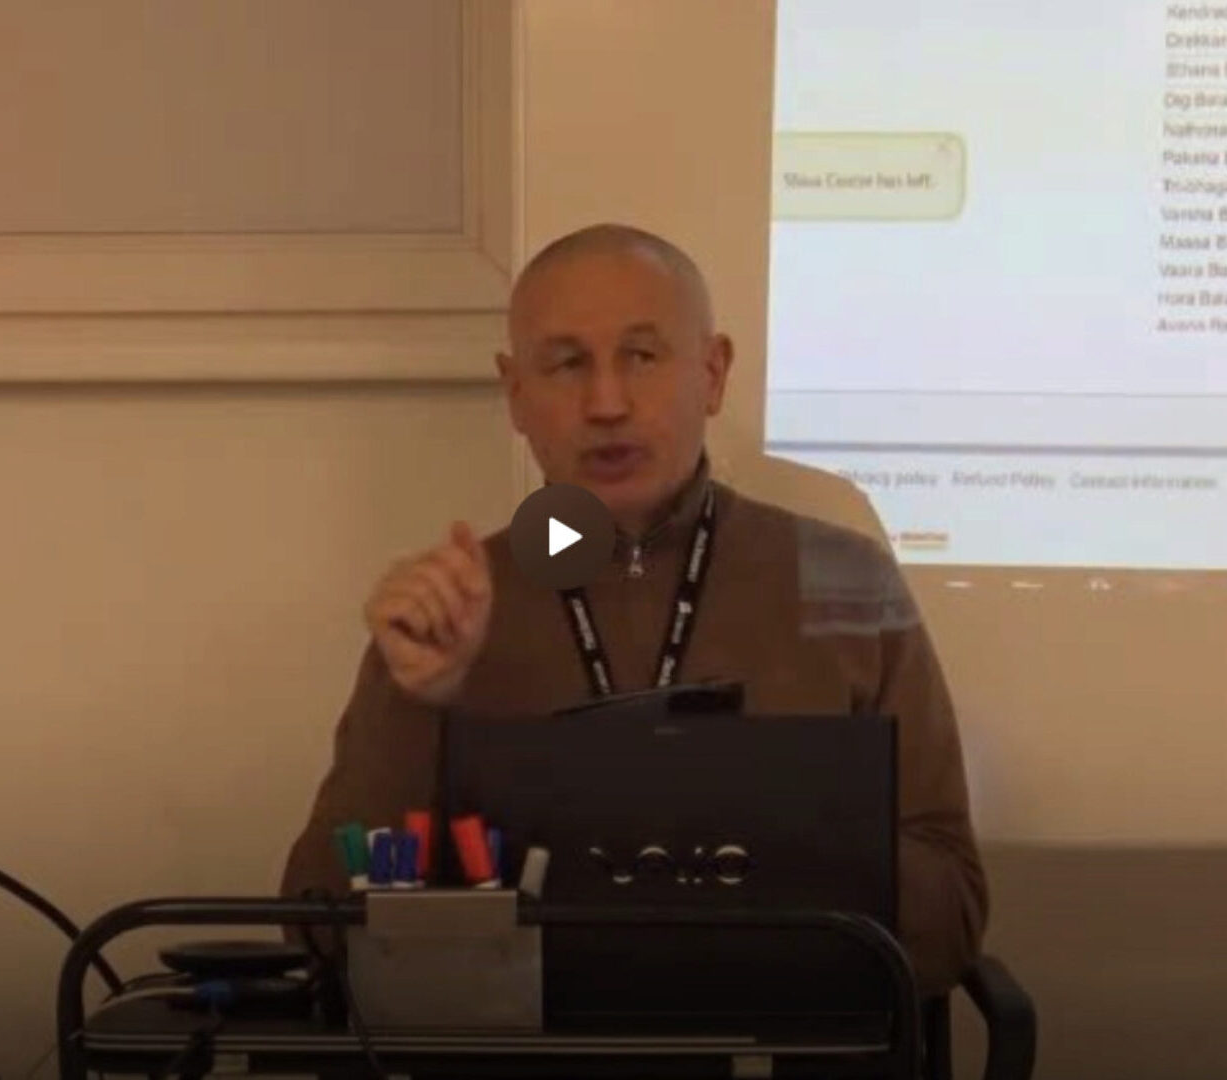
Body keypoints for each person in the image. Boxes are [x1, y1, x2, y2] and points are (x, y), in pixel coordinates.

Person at [279, 223, 987, 997]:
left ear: (712, 374)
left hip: (777, 1032)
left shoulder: (843, 579)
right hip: (530, 1046)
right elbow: (322, 926)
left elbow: (950, 920)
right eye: (567, 364)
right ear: (516, 395)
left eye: (642, 357)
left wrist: (780, 824)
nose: (607, 403)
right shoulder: (450, 603)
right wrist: (421, 705)